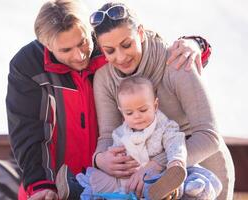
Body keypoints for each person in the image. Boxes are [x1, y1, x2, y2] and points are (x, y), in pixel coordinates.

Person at [6, 0, 213, 199]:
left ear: (90, 32)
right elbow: (27, 132)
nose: (79, 56)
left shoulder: (107, 48)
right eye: (66, 50)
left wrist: (196, 44)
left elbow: (149, 49)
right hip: (56, 184)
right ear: (47, 46)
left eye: (83, 43)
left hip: (123, 171)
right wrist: (40, 183)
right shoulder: (28, 68)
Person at [90, 2, 234, 200]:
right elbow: (107, 134)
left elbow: (209, 135)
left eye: (126, 44)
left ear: (140, 33)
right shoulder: (104, 78)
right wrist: (99, 159)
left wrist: (160, 163)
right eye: (110, 50)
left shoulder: (177, 61)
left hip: (200, 168)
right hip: (145, 177)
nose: (121, 57)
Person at [76, 77, 222, 200]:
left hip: (162, 173)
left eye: (143, 110)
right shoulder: (120, 134)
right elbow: (115, 156)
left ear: (155, 105)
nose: (137, 116)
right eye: (129, 113)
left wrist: (176, 162)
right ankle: (75, 188)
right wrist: (116, 163)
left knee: (191, 174)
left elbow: (175, 143)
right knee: (96, 179)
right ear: (122, 113)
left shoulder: (164, 127)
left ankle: (176, 190)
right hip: (131, 180)